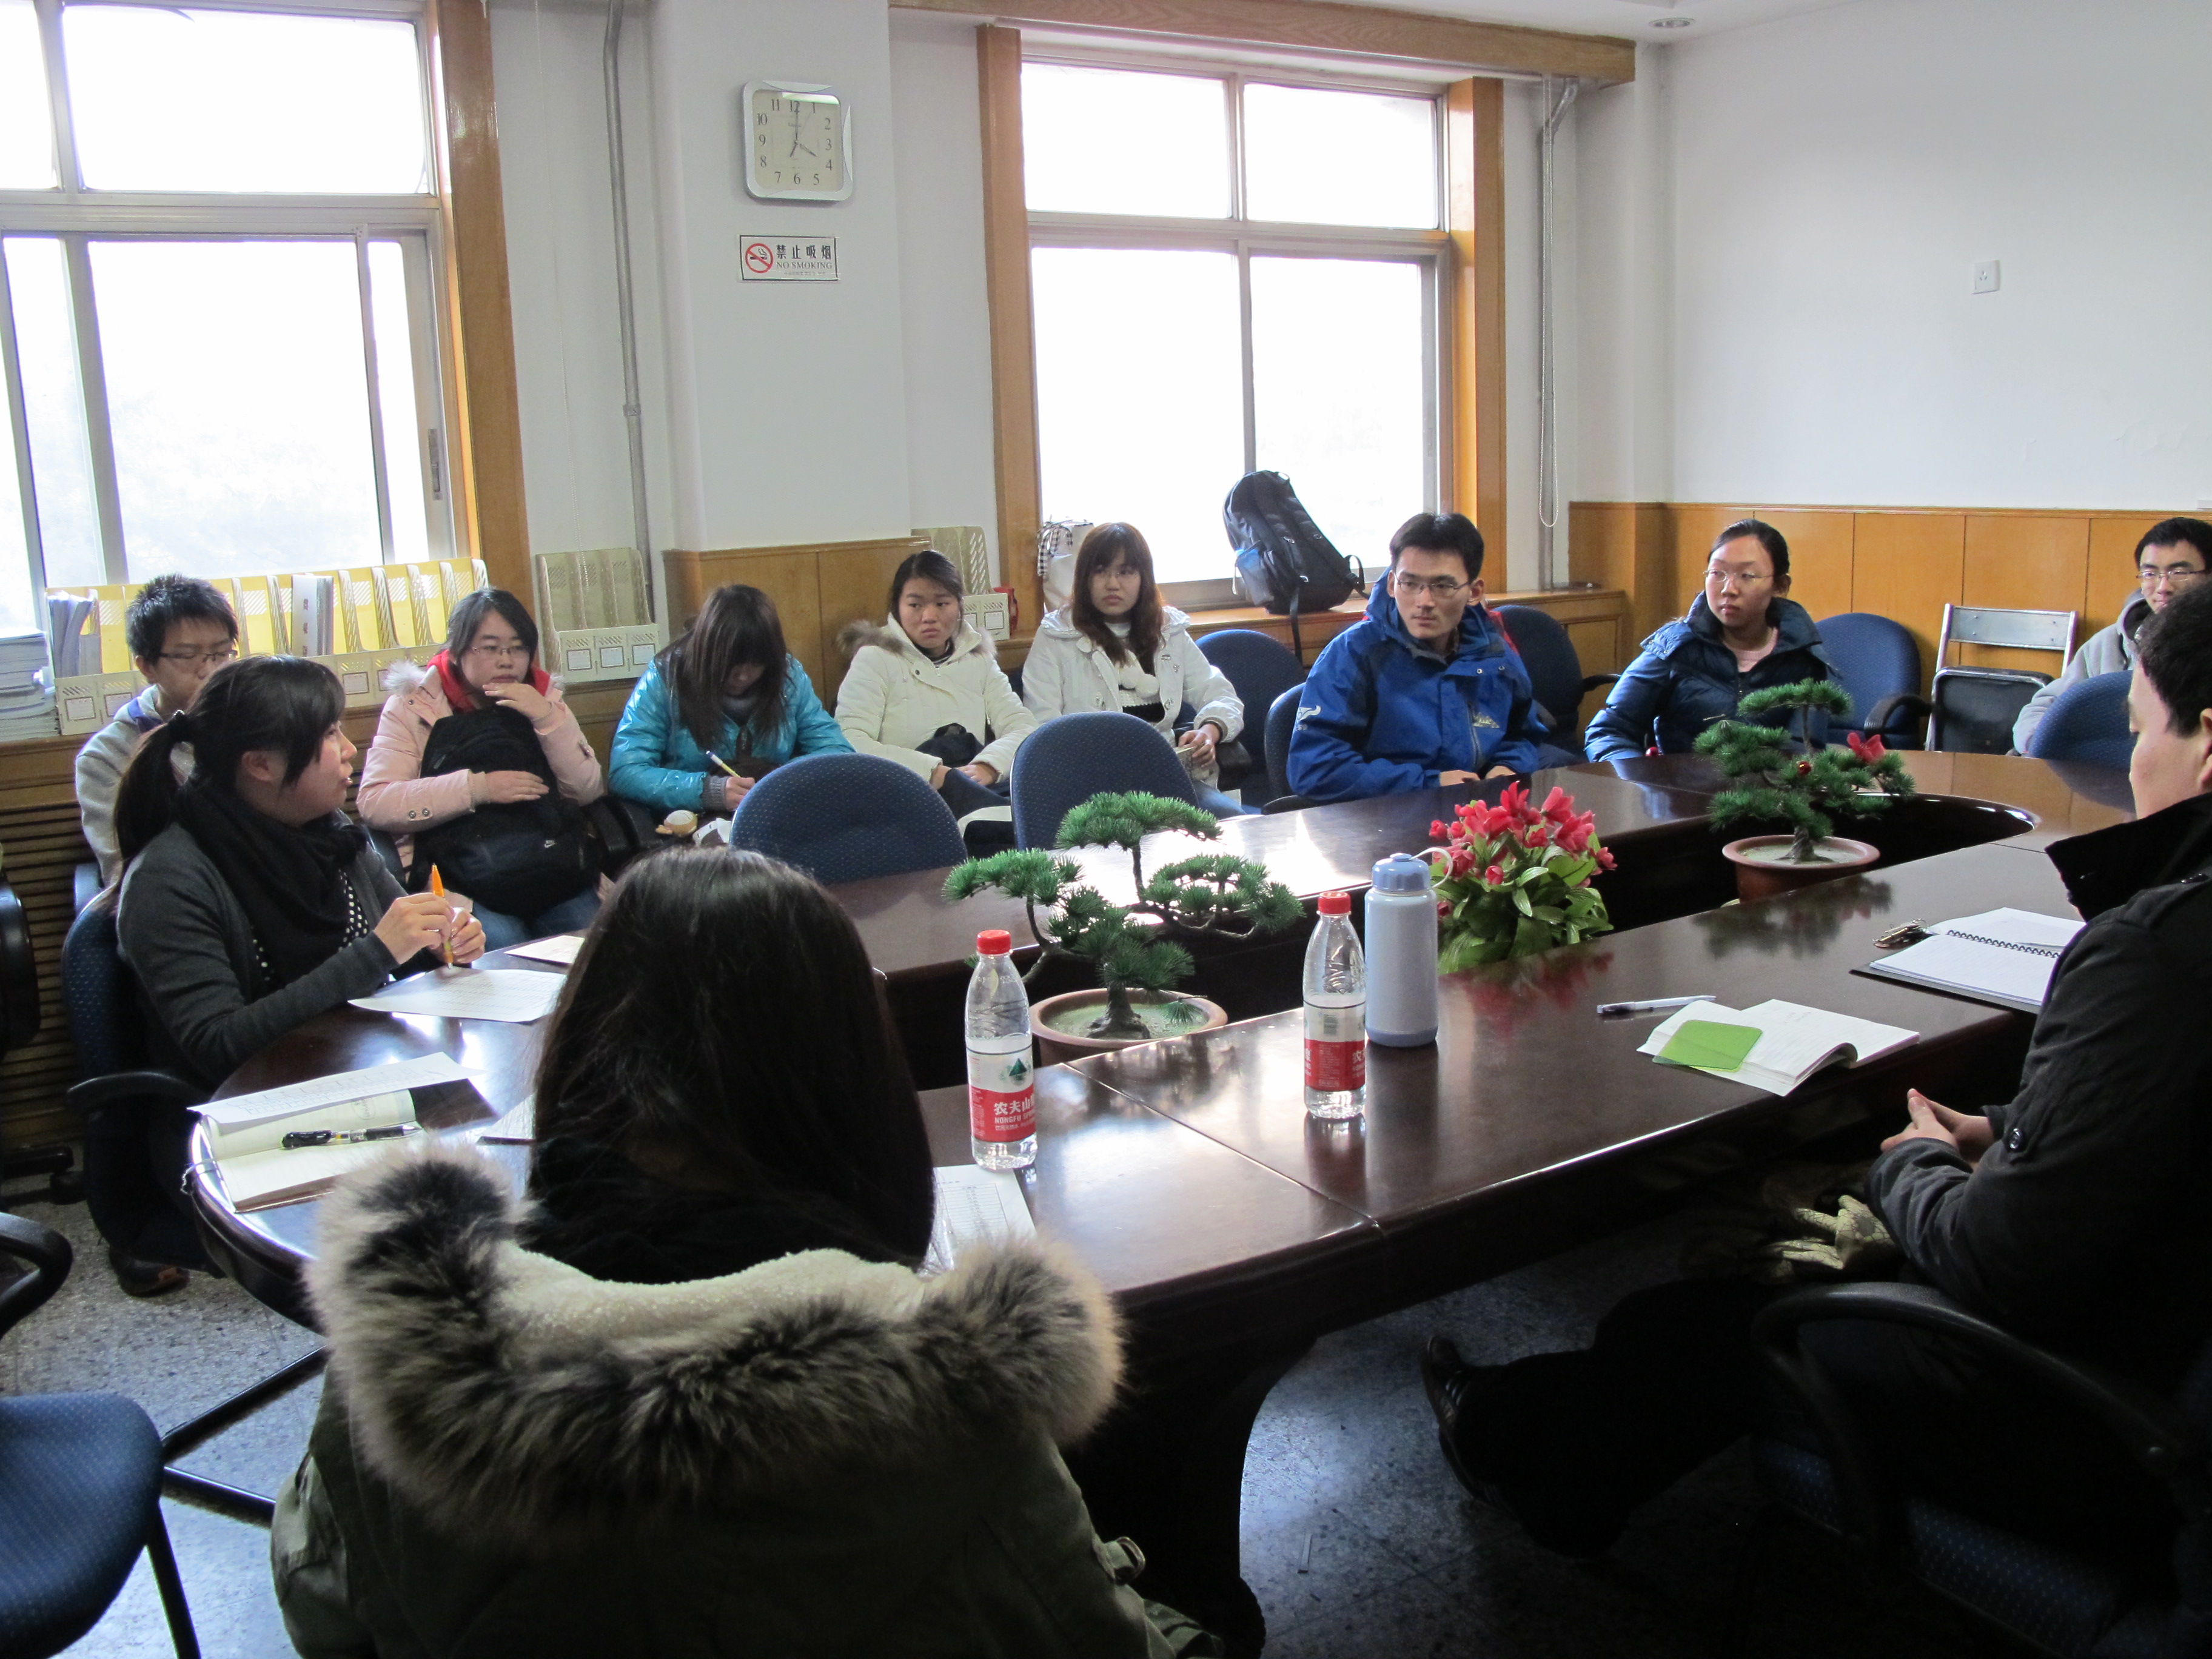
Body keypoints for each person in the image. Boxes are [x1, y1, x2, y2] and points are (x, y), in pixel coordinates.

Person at [1419, 577, 2212, 1570]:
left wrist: (1910, 1161)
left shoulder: (2158, 955)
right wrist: (2004, 1126)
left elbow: (1993, 1266)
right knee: (1675, 1325)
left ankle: (1522, 1460)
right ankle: (1520, 1439)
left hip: (2087, 1427)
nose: (2131, 762)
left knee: (1685, 1324)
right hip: (2154, 1339)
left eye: (2138, 730)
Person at [272, 850, 1223, 1659]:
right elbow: (1097, 1637)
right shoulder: (953, 1402)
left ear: (581, 1048)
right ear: (852, 1074)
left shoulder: (401, 1343)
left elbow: (325, 1609)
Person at [104, 657, 482, 1295]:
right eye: (328, 735)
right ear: (260, 765)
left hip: (351, 1080)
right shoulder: (171, 879)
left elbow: (410, 941)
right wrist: (379, 953)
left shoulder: (329, 834)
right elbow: (219, 1046)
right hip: (240, 1121)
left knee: (492, 1157)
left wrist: (447, 940)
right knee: (441, 1235)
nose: (349, 749)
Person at [358, 588, 606, 950]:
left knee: (595, 942)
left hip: (549, 861)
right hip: (460, 873)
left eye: (518, 648)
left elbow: (586, 790)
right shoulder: (414, 706)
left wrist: (547, 718)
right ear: (457, 651)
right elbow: (376, 802)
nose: (507, 661)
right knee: (502, 944)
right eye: (490, 648)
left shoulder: (543, 698)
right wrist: (478, 788)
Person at [1285, 512, 1541, 803]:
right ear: (1392, 584)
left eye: (1443, 586)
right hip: (1384, 818)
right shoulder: (1354, 653)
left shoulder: (1493, 652)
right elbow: (1314, 767)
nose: (1424, 602)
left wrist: (1509, 765)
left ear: (1474, 592)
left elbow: (1524, 735)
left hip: (1477, 812)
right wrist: (1428, 783)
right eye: (1409, 584)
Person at [1021, 524, 1248, 819]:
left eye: (1126, 572)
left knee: (1233, 823)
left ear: (1144, 578)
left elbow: (1221, 694)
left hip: (1167, 779)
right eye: (1100, 571)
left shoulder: (1168, 630)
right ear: (1083, 577)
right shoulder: (1056, 635)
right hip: (1090, 789)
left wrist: (1209, 731)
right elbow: (1043, 729)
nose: (1112, 584)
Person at [1583, 519, 1835, 762]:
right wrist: (1639, 780)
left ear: (1780, 585)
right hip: (1675, 788)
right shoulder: (1674, 648)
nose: (1728, 589)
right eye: (1717, 573)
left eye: (1747, 575)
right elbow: (1608, 732)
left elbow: (1803, 751)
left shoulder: (1804, 659)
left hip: (1765, 790)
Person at [834, 549, 1034, 846]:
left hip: (974, 792)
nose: (929, 617)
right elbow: (849, 740)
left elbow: (1023, 726)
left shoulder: (977, 657)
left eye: (942, 603)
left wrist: (989, 766)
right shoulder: (874, 658)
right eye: (915, 605)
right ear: (897, 608)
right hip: (905, 796)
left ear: (959, 606)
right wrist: (931, 772)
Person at [609, 583, 851, 817]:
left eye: (755, 665)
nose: (743, 677)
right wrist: (706, 791)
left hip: (774, 814)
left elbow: (838, 753)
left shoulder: (788, 677)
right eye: (731, 666)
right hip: (690, 822)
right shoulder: (666, 679)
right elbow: (625, 771)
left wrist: (782, 778)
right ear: (707, 654)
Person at [75, 574, 239, 886]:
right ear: (147, 667)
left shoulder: (257, 723)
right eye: (188, 656)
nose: (210, 670)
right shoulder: (107, 756)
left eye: (222, 653)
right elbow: (123, 871)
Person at [2013, 515, 2210, 751]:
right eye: (2150, 574)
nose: (2163, 587)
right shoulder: (2111, 642)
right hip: (2099, 769)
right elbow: (2045, 706)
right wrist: (2038, 745)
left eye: (2179, 572)